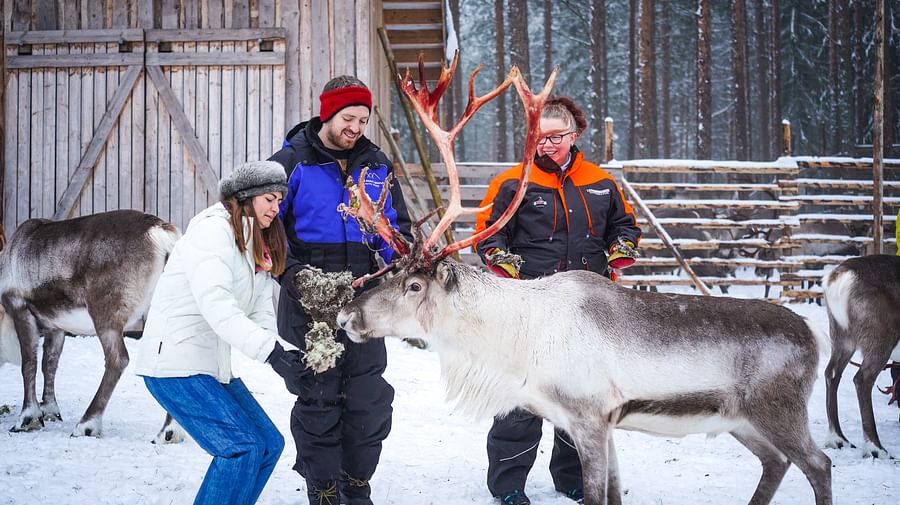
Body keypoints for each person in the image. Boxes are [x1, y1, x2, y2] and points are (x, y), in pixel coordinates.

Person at [473, 95, 642, 505]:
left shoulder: (601, 182)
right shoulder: (513, 181)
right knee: (522, 398)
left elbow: (625, 224)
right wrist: (500, 260)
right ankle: (509, 484)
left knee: (580, 397)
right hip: (529, 309)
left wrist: (622, 246)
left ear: (574, 135)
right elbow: (488, 232)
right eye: (538, 137)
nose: (544, 145)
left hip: (589, 311)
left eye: (554, 137)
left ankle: (573, 477)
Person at [269, 76, 411, 505]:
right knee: (319, 396)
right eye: (348, 118)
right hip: (309, 295)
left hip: (366, 294)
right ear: (327, 114)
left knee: (368, 398)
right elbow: (268, 231)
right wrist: (293, 276)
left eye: (363, 119)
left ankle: (356, 484)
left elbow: (397, 226)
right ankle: (324, 488)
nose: (356, 127)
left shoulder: (378, 164)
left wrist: (397, 262)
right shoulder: (291, 162)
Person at [135, 160, 307, 505]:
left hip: (210, 366)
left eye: (279, 200)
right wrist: (270, 353)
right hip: (175, 366)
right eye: (269, 199)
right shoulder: (212, 233)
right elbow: (218, 306)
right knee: (241, 448)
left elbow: (259, 310)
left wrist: (284, 357)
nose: (277, 207)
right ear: (246, 197)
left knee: (267, 445)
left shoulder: (254, 241)